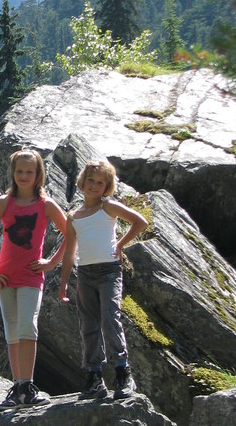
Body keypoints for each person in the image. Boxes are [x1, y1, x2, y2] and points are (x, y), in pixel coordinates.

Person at [0, 148, 67, 410]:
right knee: (13, 334)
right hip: (6, 277)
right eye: (19, 171)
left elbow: (70, 233)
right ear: (13, 173)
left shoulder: (46, 205)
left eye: (30, 171)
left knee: (28, 327)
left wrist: (50, 262)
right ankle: (18, 388)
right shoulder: (4, 202)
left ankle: (28, 385)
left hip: (31, 276)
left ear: (39, 174)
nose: (24, 176)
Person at [58, 160, 149, 400]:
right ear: (83, 181)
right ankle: (94, 377)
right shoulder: (74, 216)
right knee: (88, 325)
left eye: (101, 183)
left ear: (107, 187)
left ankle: (123, 372)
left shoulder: (108, 207)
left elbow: (140, 222)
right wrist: (64, 281)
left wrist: (120, 244)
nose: (95, 186)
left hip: (109, 272)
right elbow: (69, 251)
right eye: (91, 181)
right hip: (85, 275)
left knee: (110, 318)